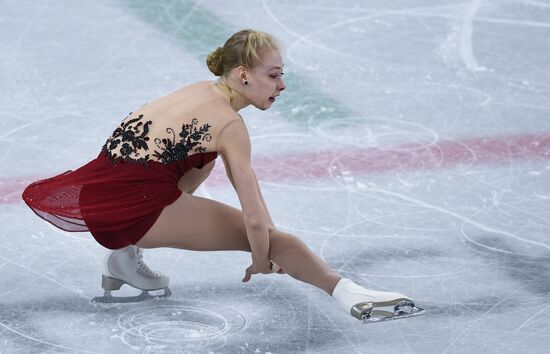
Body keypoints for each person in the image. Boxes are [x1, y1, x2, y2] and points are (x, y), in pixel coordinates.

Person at [22, 29, 423, 321]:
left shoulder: (198, 90)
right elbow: (253, 218)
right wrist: (264, 255)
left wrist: (264, 239)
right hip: (133, 214)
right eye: (273, 75)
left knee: (201, 159)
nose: (282, 86)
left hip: (96, 198)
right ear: (244, 74)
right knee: (274, 237)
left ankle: (122, 260)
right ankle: (348, 293)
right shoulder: (230, 126)